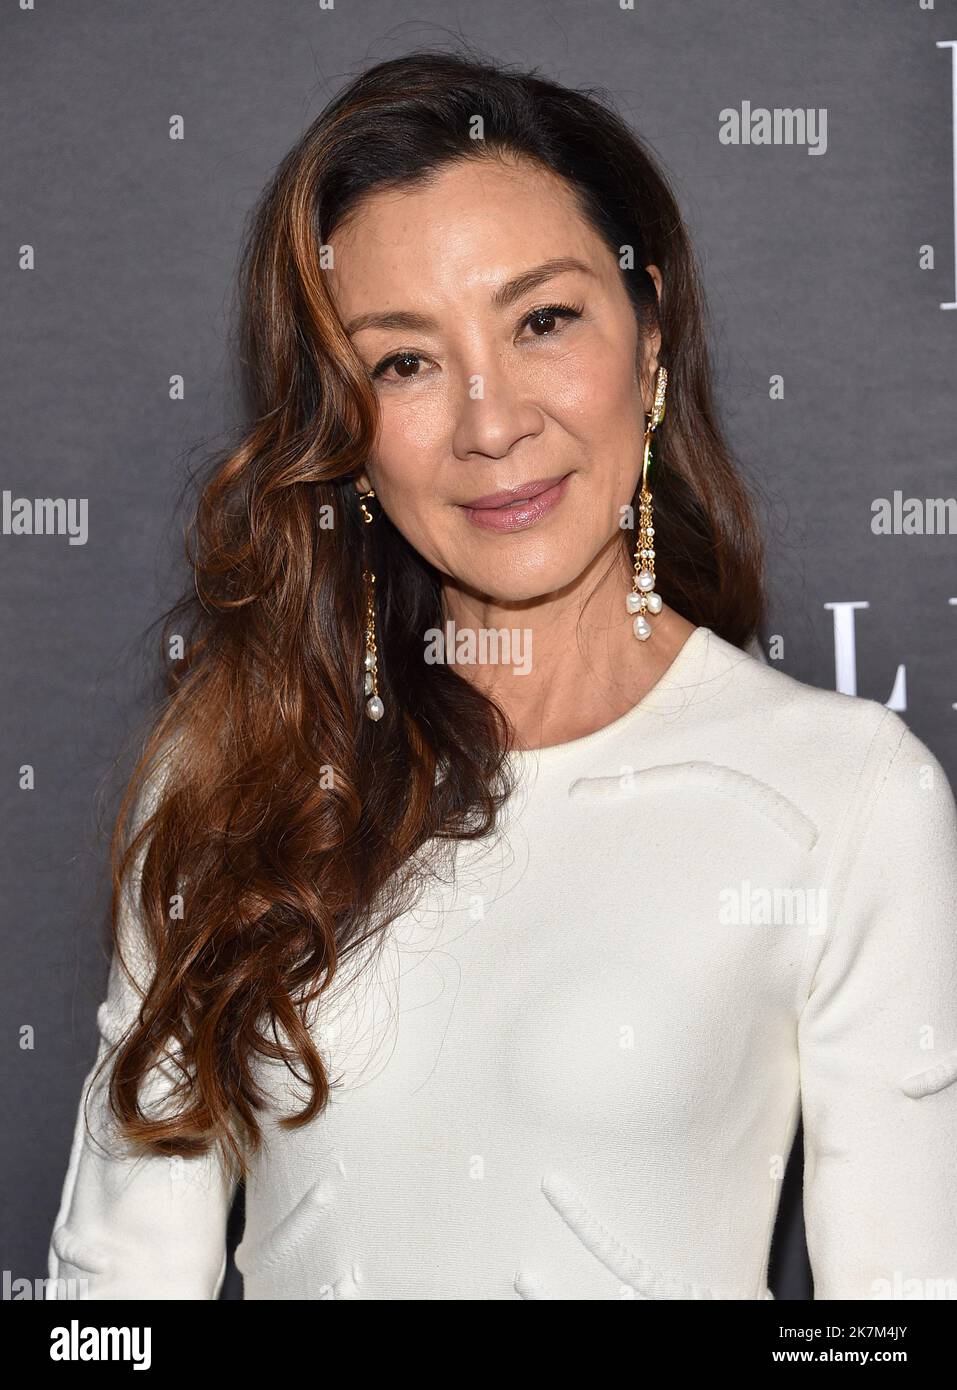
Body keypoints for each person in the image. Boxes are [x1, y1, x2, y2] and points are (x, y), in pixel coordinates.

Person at [47, 48, 957, 1301]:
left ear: (649, 345)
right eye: (404, 361)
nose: (489, 420)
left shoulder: (849, 793)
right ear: (344, 429)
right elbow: (109, 1305)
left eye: (542, 320)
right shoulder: (233, 771)